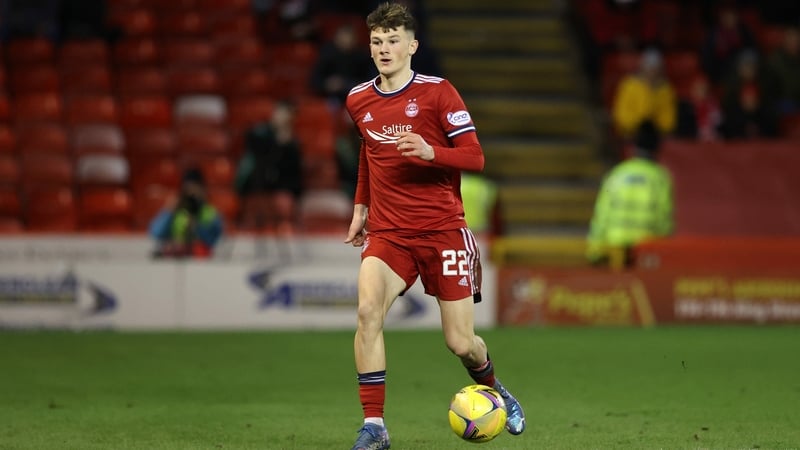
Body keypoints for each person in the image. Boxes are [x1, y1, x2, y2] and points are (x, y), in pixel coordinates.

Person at [343, 3, 525, 449]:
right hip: (389, 234)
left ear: (412, 45)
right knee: (367, 313)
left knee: (461, 343)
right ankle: (375, 426)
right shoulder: (358, 99)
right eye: (376, 42)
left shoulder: (440, 93)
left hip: (443, 231)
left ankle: (496, 388)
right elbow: (370, 154)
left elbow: (475, 157)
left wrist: (432, 152)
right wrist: (361, 207)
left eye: (392, 41)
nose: (384, 49)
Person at [586, 120, 673, 268]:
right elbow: (664, 221)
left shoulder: (616, 174)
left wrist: (594, 252)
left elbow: (601, 215)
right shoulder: (660, 179)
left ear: (633, 146)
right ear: (657, 147)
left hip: (614, 248)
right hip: (645, 250)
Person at [234, 100, 304, 234]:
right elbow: (259, 156)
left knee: (284, 203)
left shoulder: (292, 143)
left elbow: (293, 173)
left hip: (281, 188)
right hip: (257, 187)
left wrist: (286, 145)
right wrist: (277, 142)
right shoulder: (259, 133)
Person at [149, 168, 224, 259]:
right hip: (175, 259)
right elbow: (156, 233)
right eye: (188, 191)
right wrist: (169, 210)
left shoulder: (210, 212)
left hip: (201, 262)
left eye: (195, 192)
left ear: (202, 190)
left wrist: (197, 225)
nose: (191, 197)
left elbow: (215, 241)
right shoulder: (175, 210)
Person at [611, 48, 677, 139]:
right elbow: (621, 115)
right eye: (649, 67)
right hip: (631, 133)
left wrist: (654, 126)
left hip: (655, 136)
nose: (652, 71)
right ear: (642, 66)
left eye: (655, 68)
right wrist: (640, 122)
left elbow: (668, 119)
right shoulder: (629, 85)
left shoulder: (665, 89)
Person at [719, 48, 780, 139]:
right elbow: (726, 122)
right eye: (746, 66)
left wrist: (756, 110)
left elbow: (772, 124)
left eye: (752, 66)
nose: (749, 70)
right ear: (739, 68)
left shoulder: (764, 87)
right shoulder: (731, 89)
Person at [310, 23, 375, 107]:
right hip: (329, 97)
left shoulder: (363, 56)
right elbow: (314, 80)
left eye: (349, 37)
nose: (346, 41)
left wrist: (346, 84)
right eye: (343, 37)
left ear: (355, 39)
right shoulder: (326, 54)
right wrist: (327, 84)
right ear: (336, 38)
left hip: (356, 95)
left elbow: (370, 80)